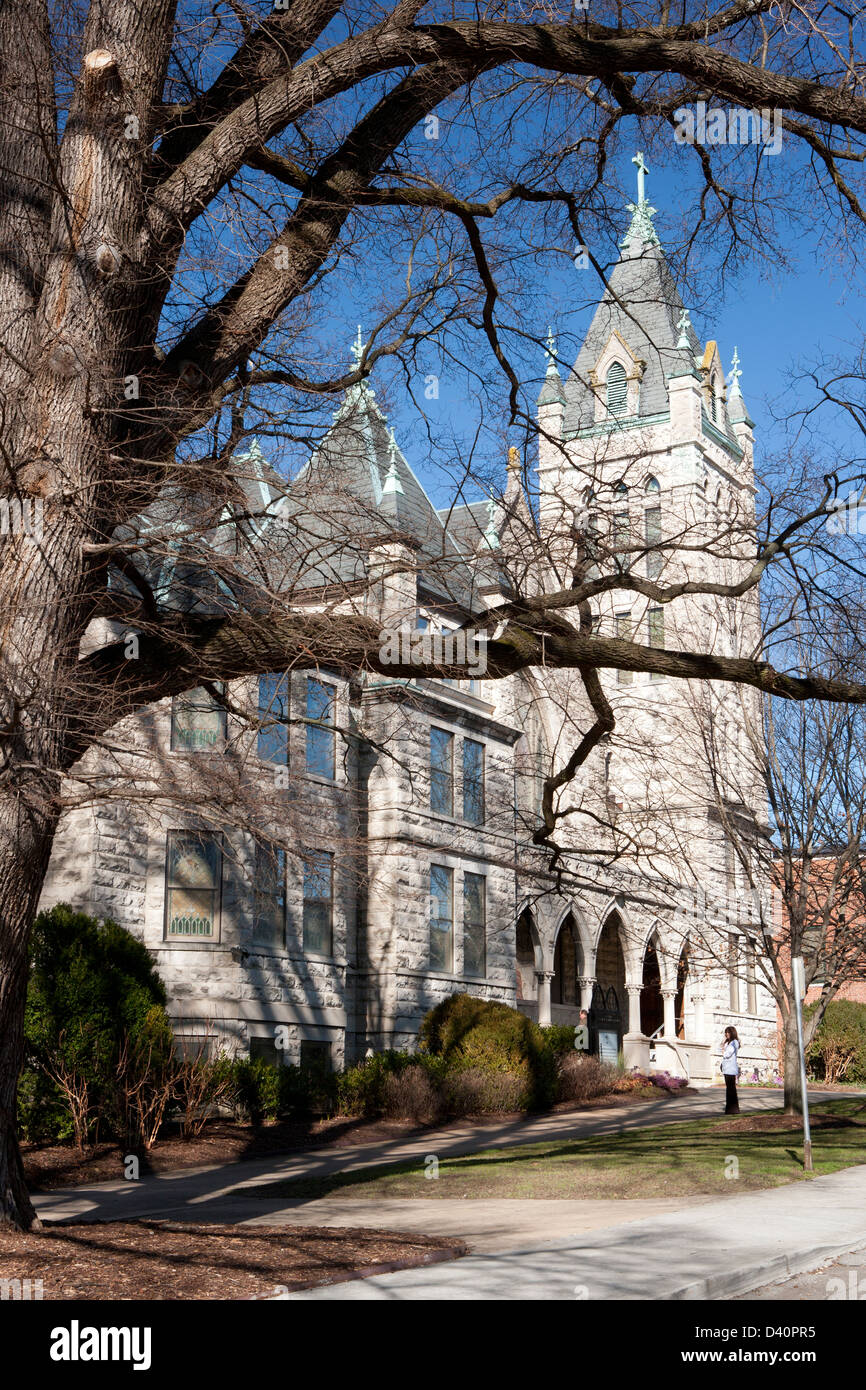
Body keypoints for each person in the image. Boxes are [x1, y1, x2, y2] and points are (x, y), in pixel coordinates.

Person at [721, 1026, 741, 1114]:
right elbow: (719, 1049)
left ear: (732, 1033)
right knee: (729, 1089)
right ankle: (730, 1109)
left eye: (728, 1032)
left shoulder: (734, 1042)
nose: (726, 1034)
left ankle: (733, 1109)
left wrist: (723, 1052)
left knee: (731, 1089)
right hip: (726, 1068)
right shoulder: (728, 1043)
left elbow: (727, 1054)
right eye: (726, 1033)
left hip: (731, 1069)